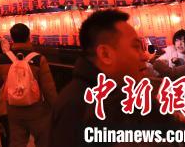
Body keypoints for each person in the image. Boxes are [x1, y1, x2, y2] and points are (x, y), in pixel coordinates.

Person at [49, 9, 176, 147]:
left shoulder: (127, 93)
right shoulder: (78, 106)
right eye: (136, 47)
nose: (144, 56)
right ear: (105, 54)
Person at [0, 23, 56, 147]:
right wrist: (56, 108)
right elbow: (49, 89)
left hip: (13, 109)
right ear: (28, 37)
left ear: (12, 38)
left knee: (17, 142)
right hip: (37, 110)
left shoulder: (3, 59)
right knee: (43, 140)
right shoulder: (38, 59)